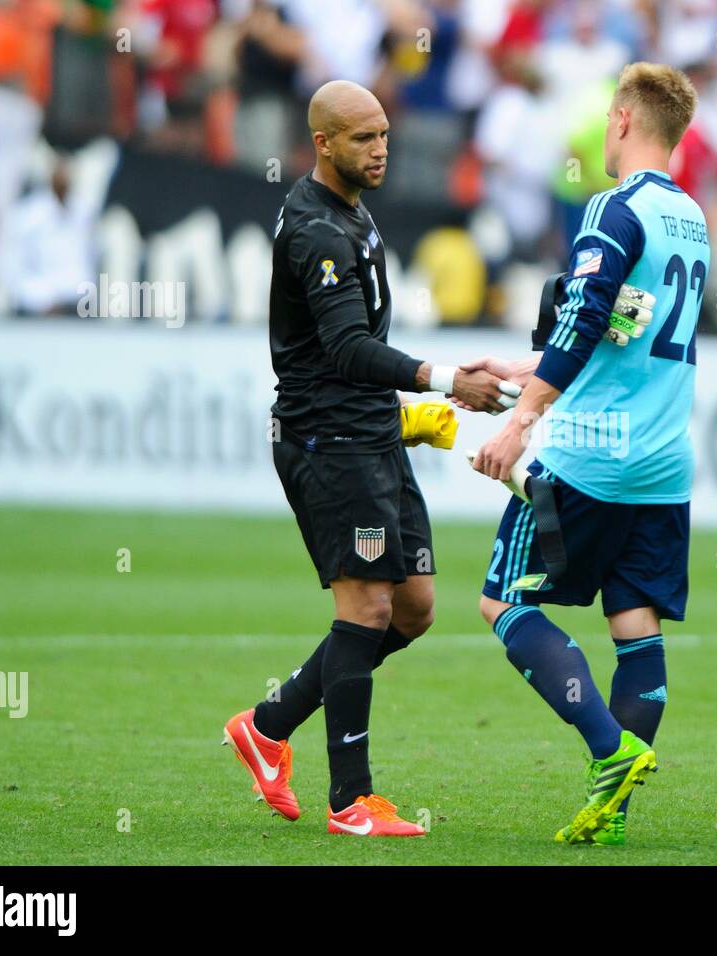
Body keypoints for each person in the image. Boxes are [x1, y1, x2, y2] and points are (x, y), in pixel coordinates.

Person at [221, 80, 517, 838]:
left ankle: (267, 725)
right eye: (362, 138)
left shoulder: (351, 209)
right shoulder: (318, 230)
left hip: (373, 435)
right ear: (323, 144)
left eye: (383, 133)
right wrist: (449, 384)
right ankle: (350, 800)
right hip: (329, 442)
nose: (380, 148)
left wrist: (416, 413)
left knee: (413, 609)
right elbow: (349, 348)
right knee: (366, 608)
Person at [468, 62, 708, 846]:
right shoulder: (692, 220)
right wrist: (524, 369)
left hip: (591, 455)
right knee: (634, 623)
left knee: (505, 604)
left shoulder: (615, 206)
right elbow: (623, 335)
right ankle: (613, 817)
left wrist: (518, 425)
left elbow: (581, 325)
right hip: (664, 460)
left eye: (608, 120)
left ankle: (611, 752)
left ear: (624, 121)